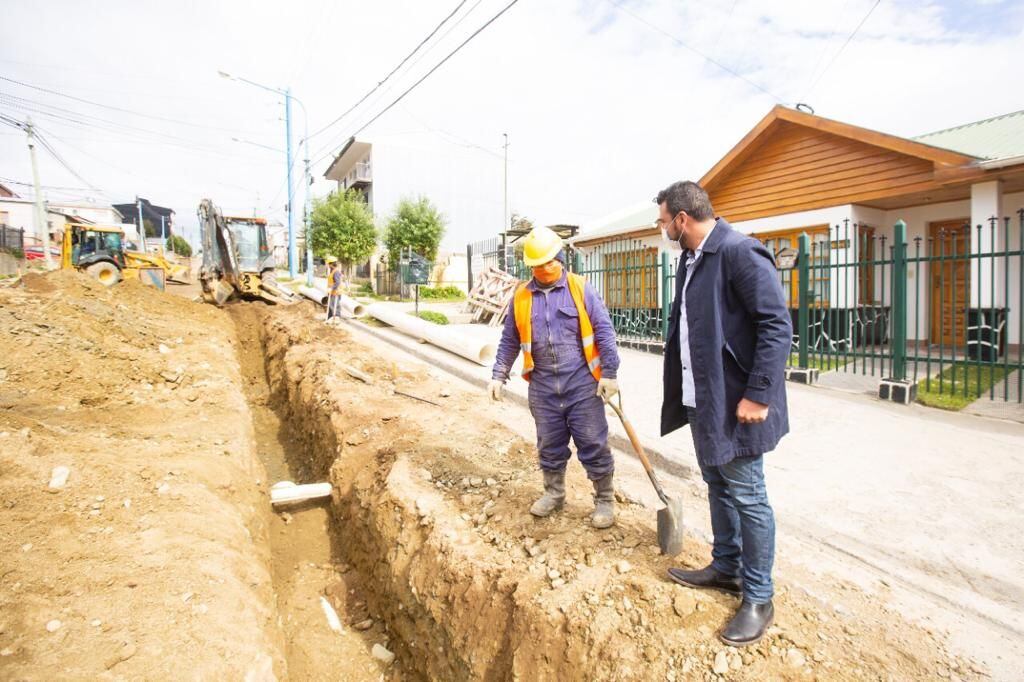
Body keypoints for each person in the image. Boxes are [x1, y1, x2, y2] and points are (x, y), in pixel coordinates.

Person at [657, 181, 791, 647]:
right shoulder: (690, 260)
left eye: (662, 221)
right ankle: (726, 566)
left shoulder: (739, 253)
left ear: (681, 219)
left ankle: (758, 596)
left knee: (748, 494)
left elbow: (777, 326)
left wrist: (758, 394)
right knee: (716, 482)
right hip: (704, 398)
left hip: (738, 402)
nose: (660, 228)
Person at [488, 226, 622, 528]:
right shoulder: (521, 297)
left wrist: (610, 373)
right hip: (543, 385)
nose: (545, 269)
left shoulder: (580, 288)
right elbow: (510, 339)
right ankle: (554, 493)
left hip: (582, 383)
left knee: (593, 442)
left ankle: (604, 500)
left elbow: (604, 331)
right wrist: (499, 374)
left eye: (549, 262)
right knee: (549, 444)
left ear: (560, 258)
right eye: (537, 265)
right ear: (530, 266)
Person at [325, 256, 343, 322]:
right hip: (332, 292)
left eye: (328, 264)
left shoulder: (336, 272)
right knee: (330, 306)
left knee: (334, 306)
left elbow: (337, 282)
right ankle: (329, 319)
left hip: (335, 292)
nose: (328, 265)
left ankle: (336, 319)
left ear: (331, 264)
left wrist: (331, 288)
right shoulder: (332, 271)